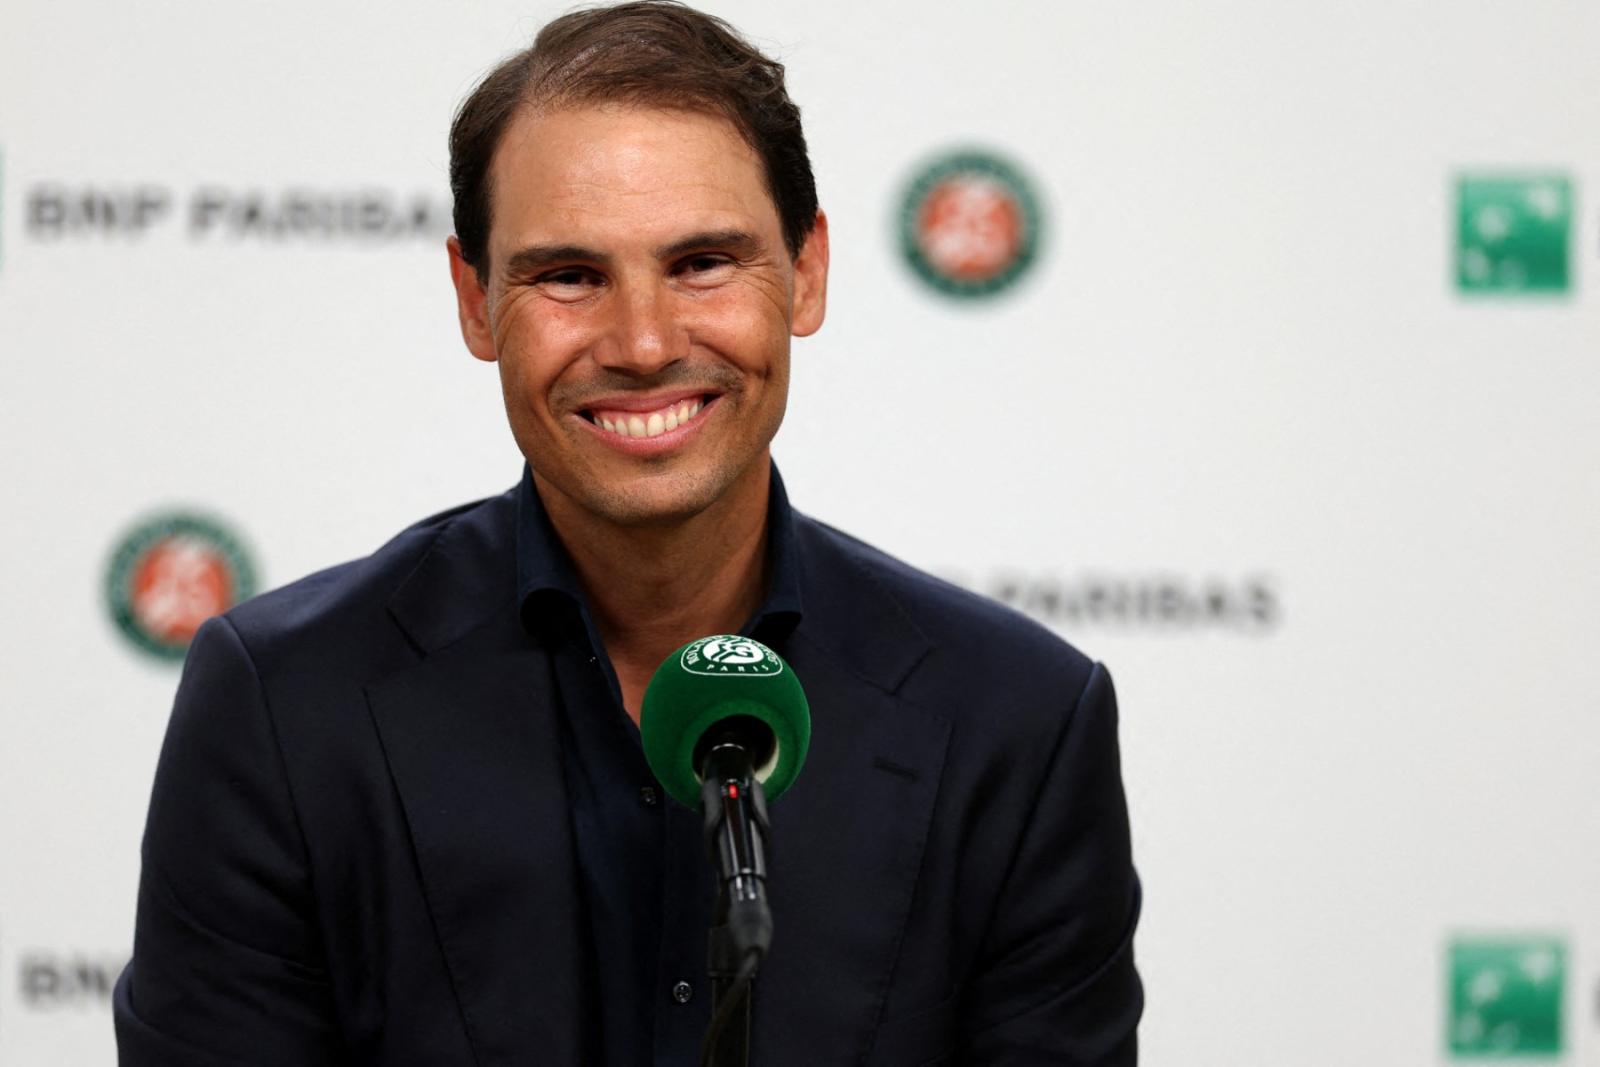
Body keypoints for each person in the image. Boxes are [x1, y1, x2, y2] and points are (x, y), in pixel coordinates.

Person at [112, 3, 1143, 1064]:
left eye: (702, 262)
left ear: (808, 270)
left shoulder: (1016, 724)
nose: (643, 344)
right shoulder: (285, 705)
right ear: (475, 299)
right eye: (569, 275)